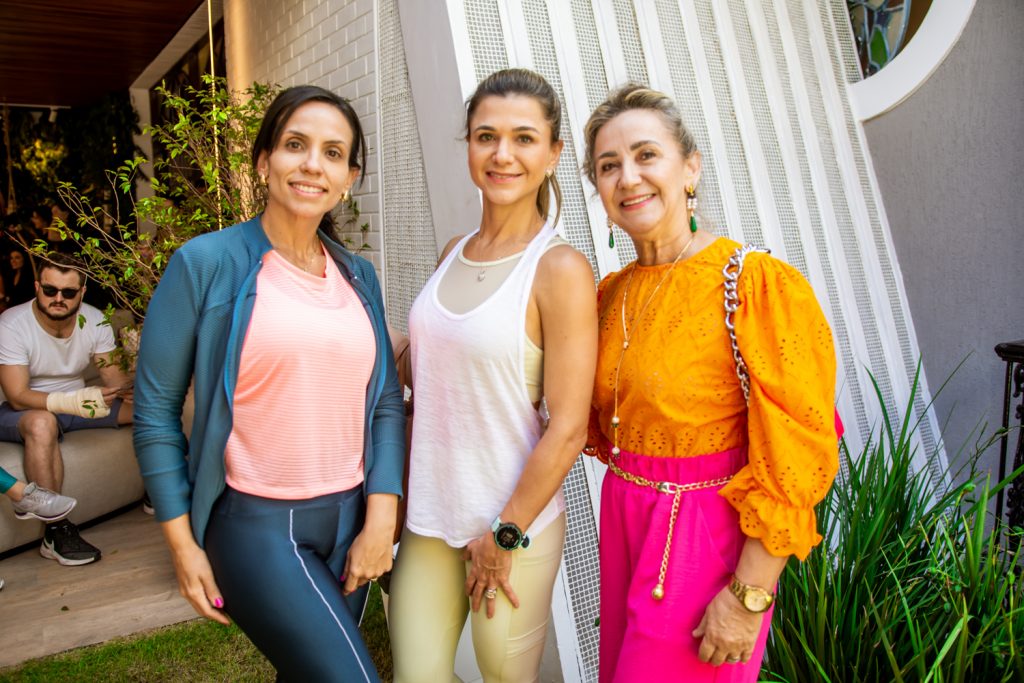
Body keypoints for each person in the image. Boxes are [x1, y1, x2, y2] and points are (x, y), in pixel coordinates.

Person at [133, 85, 405, 682]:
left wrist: (381, 516)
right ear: (264, 162)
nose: (313, 164)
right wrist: (182, 544)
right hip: (258, 527)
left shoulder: (359, 275)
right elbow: (154, 411)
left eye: (334, 153)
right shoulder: (206, 264)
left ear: (350, 176)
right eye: (295, 145)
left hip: (352, 521)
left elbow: (385, 401)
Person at [582, 84, 841, 681]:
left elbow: (799, 450)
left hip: (700, 536)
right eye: (608, 166)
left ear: (690, 167)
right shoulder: (610, 293)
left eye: (647, 156)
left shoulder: (754, 284)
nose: (628, 178)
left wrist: (749, 596)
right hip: (626, 520)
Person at [388, 68, 598, 682]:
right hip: (431, 515)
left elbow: (569, 428)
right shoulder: (453, 249)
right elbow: (433, 372)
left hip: (512, 527)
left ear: (553, 153)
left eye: (524, 138)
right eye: (486, 136)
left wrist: (504, 536)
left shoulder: (559, 269)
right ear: (470, 145)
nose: (503, 154)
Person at [0, 252, 133, 565]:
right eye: (50, 290)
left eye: (68, 292)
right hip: (25, 411)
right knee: (43, 422)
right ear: (37, 286)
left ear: (82, 293)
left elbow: (115, 381)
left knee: (150, 410)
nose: (57, 298)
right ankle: (55, 532)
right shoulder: (13, 324)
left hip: (80, 405)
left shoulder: (94, 318)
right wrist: (74, 401)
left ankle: (163, 494)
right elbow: (17, 396)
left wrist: (133, 376)